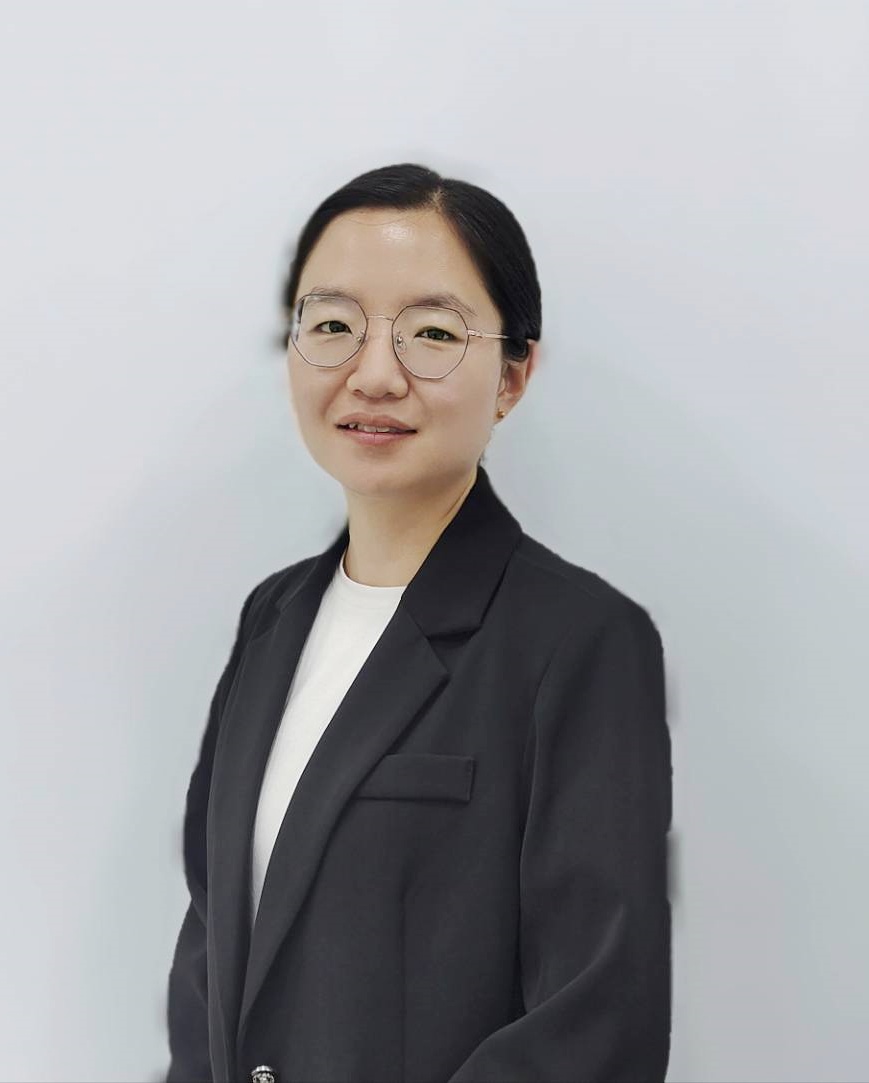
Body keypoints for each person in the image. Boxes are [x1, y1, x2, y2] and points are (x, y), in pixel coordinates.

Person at [164, 162, 672, 1083]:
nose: (372, 375)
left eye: (431, 332)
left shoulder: (579, 640)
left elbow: (597, 1019)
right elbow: (214, 939)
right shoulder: (272, 617)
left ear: (512, 375)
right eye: (332, 325)